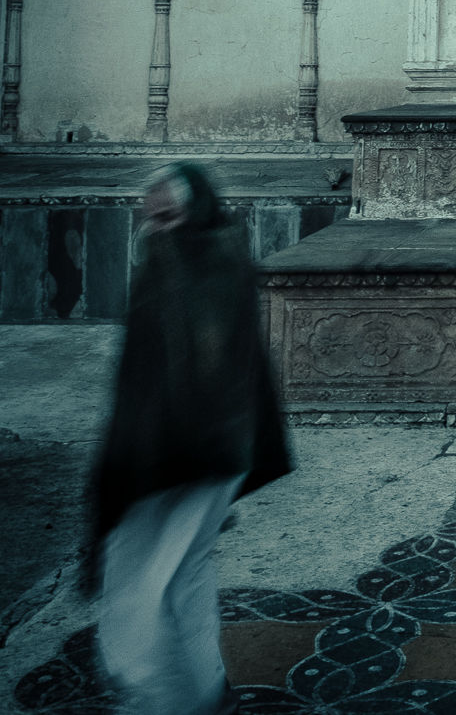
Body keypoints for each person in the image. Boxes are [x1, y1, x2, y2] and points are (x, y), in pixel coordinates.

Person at [86, 163, 291, 715]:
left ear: (187, 211)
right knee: (183, 575)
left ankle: (169, 696)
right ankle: (203, 688)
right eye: (148, 209)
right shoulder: (178, 262)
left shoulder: (203, 265)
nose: (151, 218)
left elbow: (199, 375)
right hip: (187, 456)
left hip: (188, 456)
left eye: (165, 209)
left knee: (148, 586)